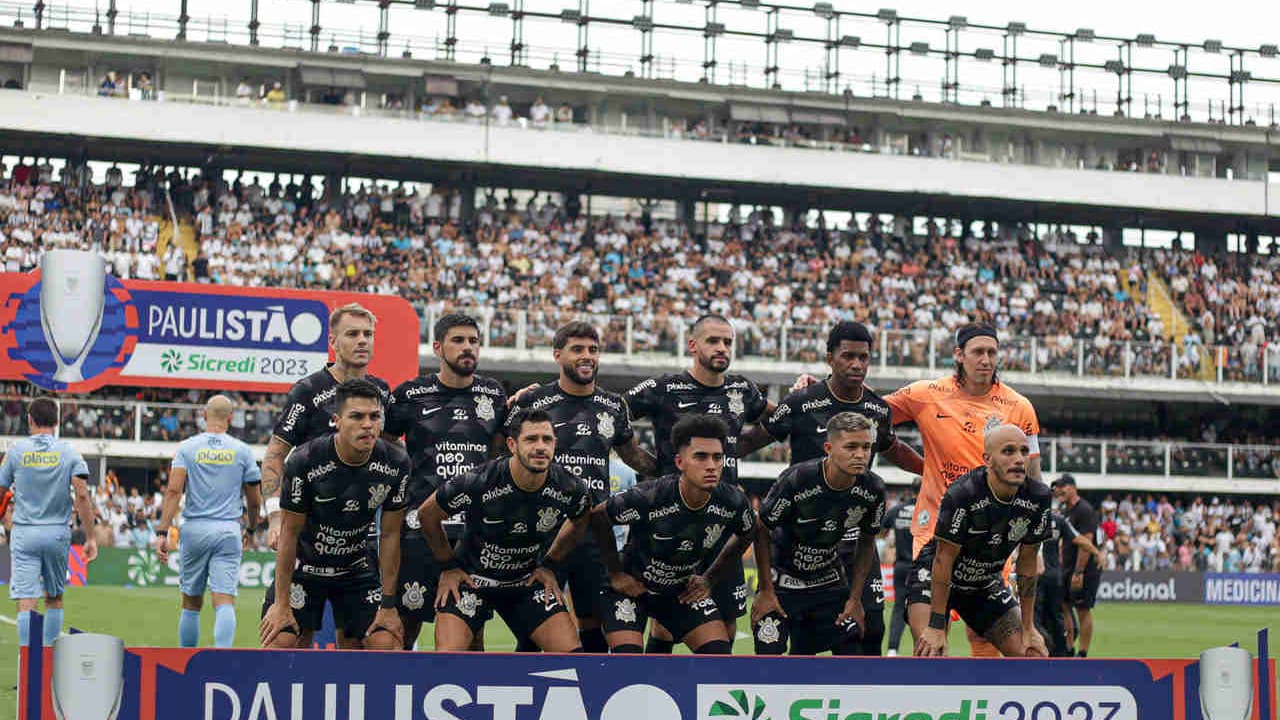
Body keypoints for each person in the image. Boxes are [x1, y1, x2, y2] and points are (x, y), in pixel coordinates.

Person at [740, 320, 924, 654]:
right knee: (797, 637)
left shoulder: (877, 409)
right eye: (848, 356)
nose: (856, 365)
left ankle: (860, 700)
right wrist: (716, 457)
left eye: (864, 358)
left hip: (851, 540)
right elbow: (757, 437)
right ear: (830, 358)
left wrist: (931, 470)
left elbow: (893, 448)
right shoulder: (802, 402)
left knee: (870, 628)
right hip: (800, 537)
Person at [887, 322, 1041, 655]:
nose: (986, 359)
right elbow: (872, 413)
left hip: (990, 543)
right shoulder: (926, 394)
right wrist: (823, 392)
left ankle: (986, 705)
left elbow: (1033, 480)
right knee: (931, 641)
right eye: (978, 352)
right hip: (935, 537)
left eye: (992, 352)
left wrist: (1035, 541)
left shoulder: (1019, 407)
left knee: (986, 639)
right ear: (959, 355)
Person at [624, 314, 772, 653]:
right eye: (713, 341)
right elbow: (611, 411)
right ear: (693, 345)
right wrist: (643, 462)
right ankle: (653, 688)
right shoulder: (663, 389)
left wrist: (743, 446)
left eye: (728, 342)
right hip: (669, 522)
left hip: (723, 525)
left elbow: (777, 420)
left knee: (727, 623)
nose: (721, 349)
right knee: (663, 621)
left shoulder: (742, 390)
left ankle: (711, 692)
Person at [506, 322, 657, 653]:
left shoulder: (613, 405)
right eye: (578, 349)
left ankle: (591, 695)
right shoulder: (534, 400)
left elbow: (634, 456)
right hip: (541, 530)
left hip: (593, 530)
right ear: (558, 355)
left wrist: (674, 469)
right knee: (534, 628)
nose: (587, 356)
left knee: (593, 622)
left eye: (593, 349)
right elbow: (501, 452)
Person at [259, 304, 393, 646]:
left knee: (365, 644)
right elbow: (275, 454)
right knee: (288, 640)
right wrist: (275, 516)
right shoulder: (307, 391)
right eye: (352, 334)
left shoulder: (383, 392)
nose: (362, 341)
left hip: (358, 544)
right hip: (305, 541)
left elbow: (392, 455)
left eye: (368, 334)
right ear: (333, 341)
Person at [417, 409, 591, 653]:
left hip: (525, 582)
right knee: (447, 658)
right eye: (531, 439)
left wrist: (551, 564)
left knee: (572, 656)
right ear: (512, 444)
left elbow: (581, 518)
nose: (540, 447)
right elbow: (427, 514)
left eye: (547, 439)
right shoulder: (479, 481)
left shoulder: (570, 487)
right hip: (473, 581)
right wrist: (448, 566)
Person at [385, 312, 508, 650]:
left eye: (473, 341)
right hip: (421, 530)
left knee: (472, 634)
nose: (467, 348)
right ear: (438, 347)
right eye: (458, 340)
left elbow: (500, 452)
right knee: (404, 628)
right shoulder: (411, 394)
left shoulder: (493, 394)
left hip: (474, 533)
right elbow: (383, 442)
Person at [259, 379, 411, 651]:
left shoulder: (396, 463)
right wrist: (281, 605)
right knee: (280, 641)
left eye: (374, 416)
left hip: (356, 569)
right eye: (357, 416)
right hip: (306, 566)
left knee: (385, 642)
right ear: (337, 420)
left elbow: (389, 535)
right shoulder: (305, 460)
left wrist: (388, 605)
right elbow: (290, 534)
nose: (368, 424)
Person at [591, 414, 757, 654]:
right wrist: (616, 574)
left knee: (719, 655)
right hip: (632, 588)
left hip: (679, 592)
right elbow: (598, 516)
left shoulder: (732, 501)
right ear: (680, 462)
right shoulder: (651, 496)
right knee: (628, 661)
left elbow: (749, 531)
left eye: (717, 457)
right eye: (701, 456)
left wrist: (709, 578)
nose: (711, 465)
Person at [751, 412, 887, 656]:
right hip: (782, 582)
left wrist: (855, 599)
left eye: (866, 447)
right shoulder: (797, 480)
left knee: (853, 644)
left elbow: (867, 540)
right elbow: (762, 527)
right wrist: (765, 590)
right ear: (829, 448)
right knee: (768, 657)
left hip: (827, 582)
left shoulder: (873, 488)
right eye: (851, 447)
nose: (860, 454)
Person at [911, 425, 1051, 658]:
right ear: (987, 459)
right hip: (936, 576)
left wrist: (1029, 627)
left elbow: (1027, 564)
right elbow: (943, 559)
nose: (1018, 459)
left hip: (984, 583)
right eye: (1008, 451)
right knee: (931, 653)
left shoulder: (1038, 497)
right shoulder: (963, 493)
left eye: (1024, 452)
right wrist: (936, 625)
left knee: (1031, 653)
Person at [154, 395, 262, 648]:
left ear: (204, 417)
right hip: (227, 529)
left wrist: (162, 531)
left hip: (194, 529)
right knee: (223, 600)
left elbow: (173, 491)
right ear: (230, 418)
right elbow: (254, 499)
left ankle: (185, 658)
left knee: (191, 603)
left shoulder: (187, 448)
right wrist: (252, 527)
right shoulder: (242, 450)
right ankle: (221, 660)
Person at [0, 397, 98, 647]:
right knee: (54, 597)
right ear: (56, 422)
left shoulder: (15, 451)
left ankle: (27, 668)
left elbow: (0, 490)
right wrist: (91, 536)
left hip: (24, 533)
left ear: (29, 420)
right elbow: (83, 494)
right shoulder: (68, 452)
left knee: (26, 599)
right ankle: (50, 664)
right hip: (56, 532)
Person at [1036, 500, 1102, 657]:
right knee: (1058, 616)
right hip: (1055, 577)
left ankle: (1039, 652)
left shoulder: (1028, 519)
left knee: (1035, 619)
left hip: (1036, 576)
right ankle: (1061, 653)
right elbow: (1079, 539)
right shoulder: (1059, 521)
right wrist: (1096, 552)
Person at [1052, 474, 1102, 657]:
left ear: (1073, 487)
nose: (1059, 491)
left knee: (1082, 609)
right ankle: (1068, 647)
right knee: (1064, 606)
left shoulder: (1084, 510)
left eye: (1062, 487)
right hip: (1067, 567)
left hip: (1084, 569)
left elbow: (1086, 543)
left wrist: (1079, 572)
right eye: (1057, 488)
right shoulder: (1066, 511)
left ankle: (1082, 652)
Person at [883, 476, 920, 655]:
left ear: (911, 491)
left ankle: (892, 649)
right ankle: (920, 650)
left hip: (901, 566)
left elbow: (881, 529)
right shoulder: (928, 512)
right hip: (921, 569)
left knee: (899, 607)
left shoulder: (897, 510)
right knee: (920, 607)